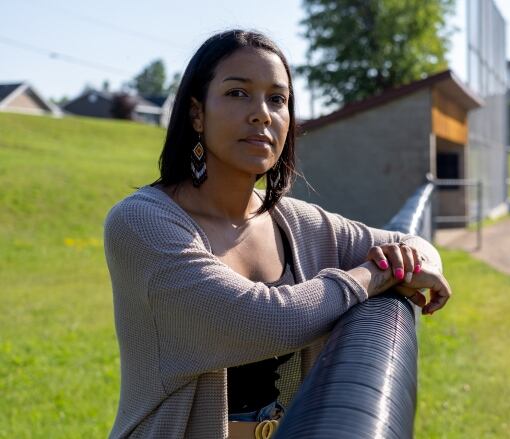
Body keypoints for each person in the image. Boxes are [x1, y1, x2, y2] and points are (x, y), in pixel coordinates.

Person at [103, 29, 451, 438]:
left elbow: (417, 245)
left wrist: (409, 259)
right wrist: (374, 276)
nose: (262, 114)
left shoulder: (293, 221)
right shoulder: (142, 223)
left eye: (277, 99)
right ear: (197, 113)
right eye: (237, 93)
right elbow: (263, 319)